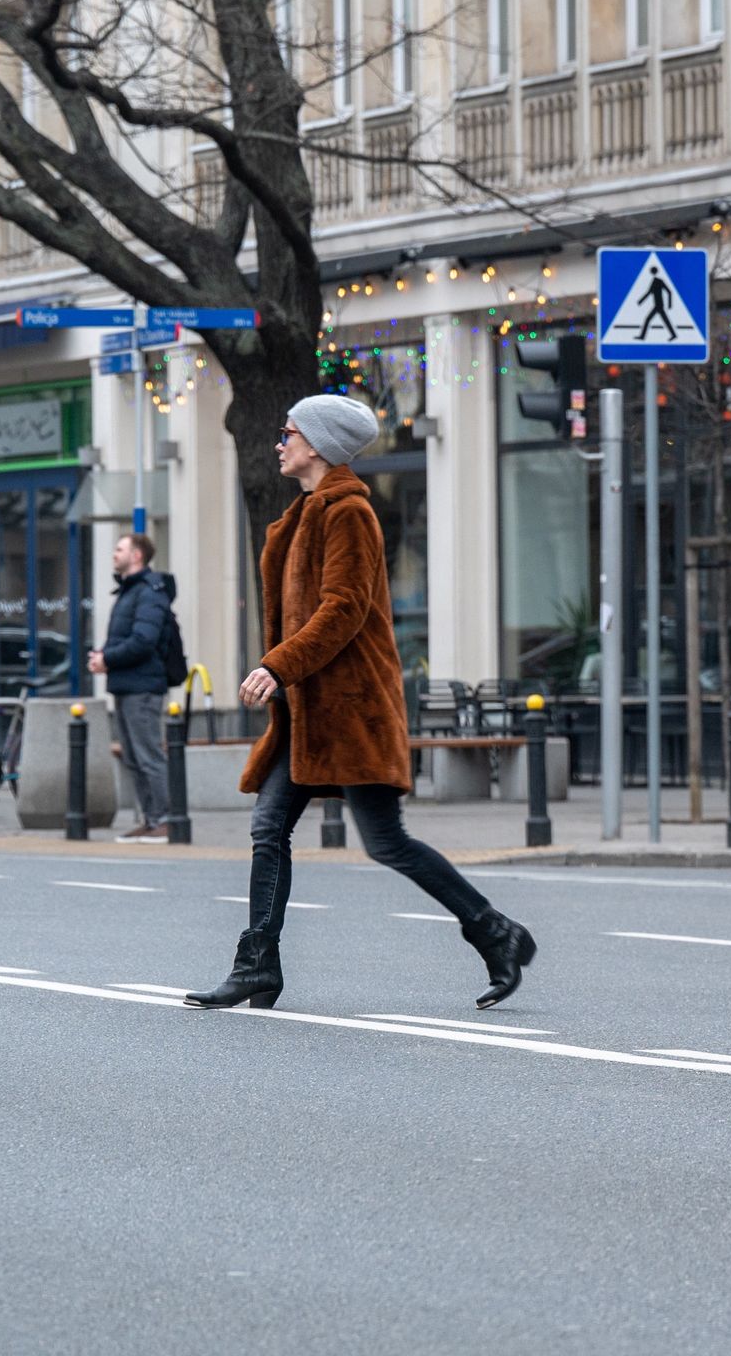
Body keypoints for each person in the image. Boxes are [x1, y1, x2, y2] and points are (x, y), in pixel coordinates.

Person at [185, 395, 536, 1011]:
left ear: (317, 445)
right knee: (269, 828)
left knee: (386, 842)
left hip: (350, 711)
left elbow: (342, 609)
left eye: (288, 432)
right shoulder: (302, 515)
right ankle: (257, 965)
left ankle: (495, 932)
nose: (279, 442)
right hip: (308, 712)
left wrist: (276, 665)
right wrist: (286, 675)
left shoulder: (348, 513)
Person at [88, 531, 173, 843]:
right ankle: (151, 820)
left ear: (137, 555)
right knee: (134, 758)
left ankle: (165, 820)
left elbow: (143, 641)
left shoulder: (149, 591)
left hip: (143, 687)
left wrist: (106, 659)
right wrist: (104, 657)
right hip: (127, 686)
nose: (114, 553)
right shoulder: (130, 591)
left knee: (148, 755)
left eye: (119, 548)